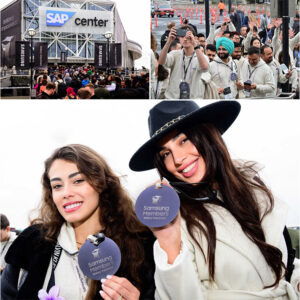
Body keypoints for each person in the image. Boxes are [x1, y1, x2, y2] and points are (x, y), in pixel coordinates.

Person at [129, 100, 300, 299]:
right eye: (166, 153)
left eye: (183, 140)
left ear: (207, 135)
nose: (177, 159)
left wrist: (296, 281)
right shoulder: (175, 220)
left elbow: (278, 263)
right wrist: (169, 243)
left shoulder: (254, 188)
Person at [1, 144, 155, 300]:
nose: (66, 193)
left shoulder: (141, 245)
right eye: (57, 186)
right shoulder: (31, 242)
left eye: (78, 180)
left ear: (100, 183)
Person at [158, 25, 210, 99]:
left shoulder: (201, 57)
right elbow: (161, 62)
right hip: (172, 99)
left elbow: (204, 67)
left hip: (192, 99)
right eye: (182, 36)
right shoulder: (175, 54)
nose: (185, 39)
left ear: (195, 38)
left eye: (188, 37)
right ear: (179, 38)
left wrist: (195, 44)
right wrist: (169, 41)